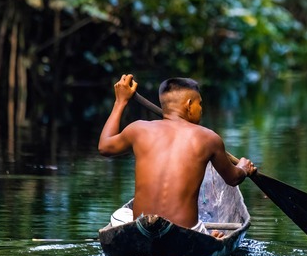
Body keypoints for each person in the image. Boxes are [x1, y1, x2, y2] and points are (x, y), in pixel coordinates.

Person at [98, 74, 256, 238]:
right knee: (201, 233)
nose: (201, 109)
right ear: (189, 105)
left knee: (122, 215)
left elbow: (104, 147)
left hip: (141, 229)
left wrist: (120, 102)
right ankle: (208, 236)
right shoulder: (209, 138)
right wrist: (243, 168)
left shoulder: (138, 129)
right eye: (199, 104)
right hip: (187, 233)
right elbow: (232, 178)